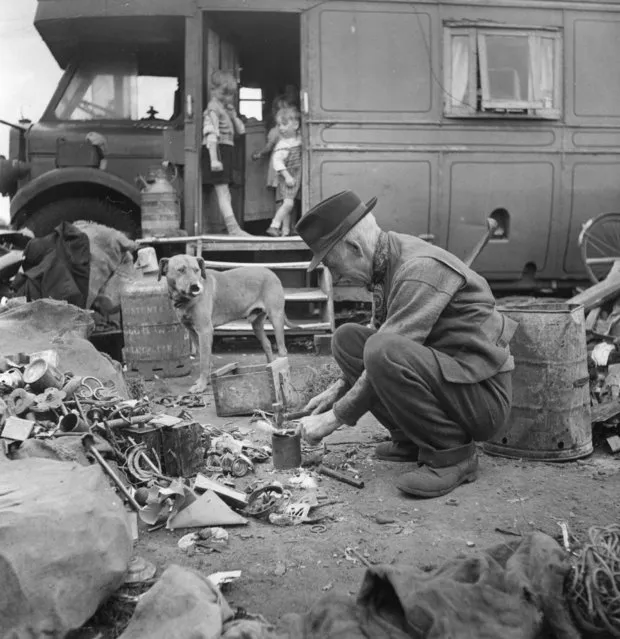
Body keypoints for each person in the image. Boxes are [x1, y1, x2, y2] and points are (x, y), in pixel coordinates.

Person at [294, 190, 517, 498]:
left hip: (482, 399)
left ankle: (453, 454)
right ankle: (411, 439)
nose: (335, 275)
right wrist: (334, 392)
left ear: (354, 247)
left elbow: (385, 353)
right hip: (452, 379)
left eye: (332, 264)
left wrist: (331, 420)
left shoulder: (417, 270)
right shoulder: (385, 262)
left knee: (382, 349)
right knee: (348, 339)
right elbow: (378, 336)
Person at [202, 70, 249, 236]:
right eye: (224, 93)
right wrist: (214, 159)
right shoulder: (213, 109)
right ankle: (233, 228)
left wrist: (233, 115)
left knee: (225, 191)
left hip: (226, 150)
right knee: (222, 191)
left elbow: (241, 130)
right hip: (218, 151)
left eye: (230, 95)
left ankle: (229, 227)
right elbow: (211, 134)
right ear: (213, 90)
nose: (227, 98)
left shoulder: (224, 109)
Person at [265, 107, 302, 237]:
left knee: (290, 204)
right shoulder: (282, 144)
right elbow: (277, 162)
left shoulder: (298, 139)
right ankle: (274, 225)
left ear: (296, 125)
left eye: (284, 124)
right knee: (288, 203)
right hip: (288, 177)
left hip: (295, 176)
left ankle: (285, 231)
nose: (281, 128)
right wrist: (287, 177)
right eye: (279, 125)